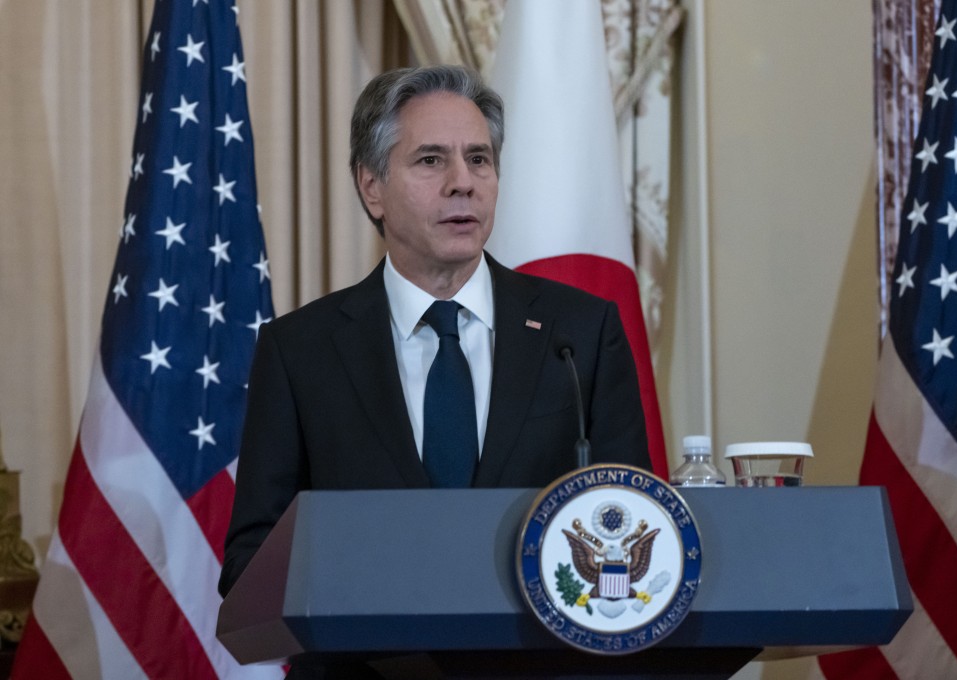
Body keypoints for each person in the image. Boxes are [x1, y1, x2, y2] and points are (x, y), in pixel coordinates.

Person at [220, 64, 650, 602]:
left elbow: (630, 523)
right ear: (371, 187)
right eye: (431, 160)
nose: (463, 182)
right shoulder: (299, 351)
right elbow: (250, 561)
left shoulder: (582, 335)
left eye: (479, 159)